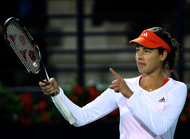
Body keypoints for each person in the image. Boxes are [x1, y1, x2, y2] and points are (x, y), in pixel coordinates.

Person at [39, 27, 187, 139]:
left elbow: (160, 127)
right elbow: (80, 118)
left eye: (147, 51)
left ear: (163, 55)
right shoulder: (122, 87)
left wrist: (129, 94)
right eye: (137, 50)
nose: (139, 56)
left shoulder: (177, 89)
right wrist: (57, 95)